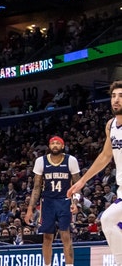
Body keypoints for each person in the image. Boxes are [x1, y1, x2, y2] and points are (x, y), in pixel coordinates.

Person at [68, 80, 122, 265]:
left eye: (121, 96)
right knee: (107, 221)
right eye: (114, 96)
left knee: (107, 219)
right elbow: (105, 156)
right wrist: (82, 181)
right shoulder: (111, 125)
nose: (116, 100)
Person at [24, 135, 80, 266]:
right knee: (47, 237)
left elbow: (77, 185)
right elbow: (37, 187)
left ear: (62, 146)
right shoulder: (40, 161)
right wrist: (30, 209)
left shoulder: (71, 160)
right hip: (47, 201)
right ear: (49, 146)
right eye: (52, 143)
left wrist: (75, 203)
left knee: (66, 235)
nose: (55, 145)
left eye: (58, 143)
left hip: (64, 200)